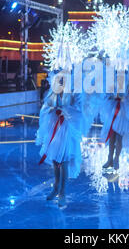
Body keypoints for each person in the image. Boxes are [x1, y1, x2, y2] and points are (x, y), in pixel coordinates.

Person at [35, 76, 82, 208]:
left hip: (66, 131)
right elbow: (44, 109)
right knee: (56, 161)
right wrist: (51, 110)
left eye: (63, 83)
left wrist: (65, 112)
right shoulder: (52, 96)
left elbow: (77, 111)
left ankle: (63, 192)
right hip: (54, 131)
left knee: (64, 161)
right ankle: (56, 187)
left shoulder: (70, 96)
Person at [100, 74, 129, 170]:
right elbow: (107, 94)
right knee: (111, 135)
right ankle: (109, 158)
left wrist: (124, 98)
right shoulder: (113, 80)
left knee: (119, 136)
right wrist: (112, 97)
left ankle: (116, 159)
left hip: (123, 112)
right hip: (113, 110)